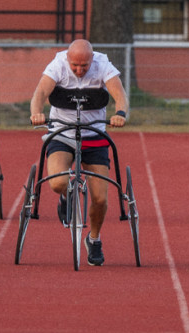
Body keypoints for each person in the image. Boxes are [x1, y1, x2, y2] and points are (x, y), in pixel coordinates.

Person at [29, 39, 129, 266]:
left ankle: (94, 239)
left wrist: (120, 113)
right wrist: (36, 113)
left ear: (92, 59)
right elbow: (40, 92)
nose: (79, 70)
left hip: (94, 135)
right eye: (75, 65)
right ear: (68, 59)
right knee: (56, 182)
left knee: (100, 198)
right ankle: (66, 196)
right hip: (62, 133)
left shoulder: (103, 64)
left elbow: (119, 94)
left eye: (84, 66)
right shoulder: (57, 64)